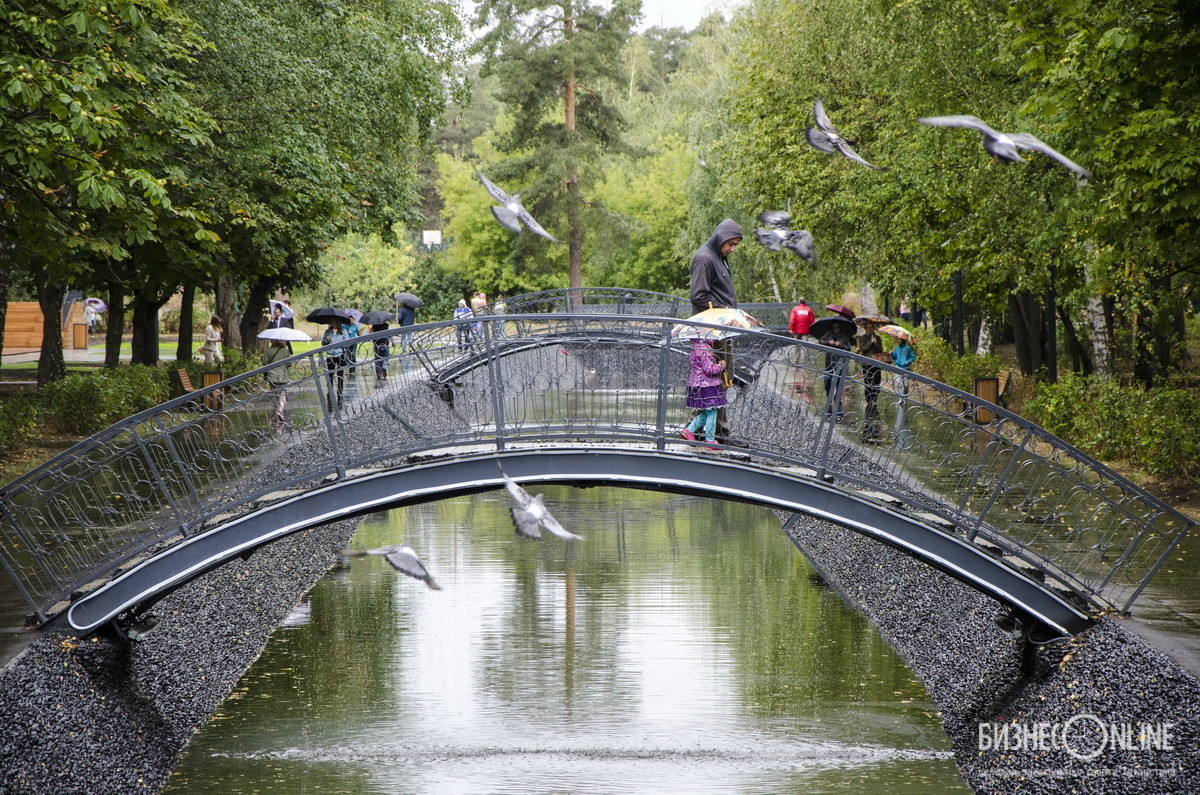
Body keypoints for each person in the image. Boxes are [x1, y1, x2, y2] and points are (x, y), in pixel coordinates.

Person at [689, 218, 744, 446]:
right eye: (730, 244)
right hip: (711, 331)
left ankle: (713, 431)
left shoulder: (720, 258)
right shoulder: (704, 258)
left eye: (735, 245)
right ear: (720, 237)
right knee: (713, 378)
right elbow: (698, 296)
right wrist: (724, 312)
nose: (732, 249)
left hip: (722, 328)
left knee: (723, 377)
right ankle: (709, 432)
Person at [679, 337, 727, 451]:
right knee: (712, 413)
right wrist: (721, 366)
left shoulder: (697, 345)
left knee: (707, 413)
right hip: (707, 385)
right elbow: (708, 369)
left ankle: (689, 431)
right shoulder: (704, 348)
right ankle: (710, 441)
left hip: (697, 384)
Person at [857, 321, 890, 443]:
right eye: (868, 327)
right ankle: (869, 400)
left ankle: (874, 397)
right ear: (865, 328)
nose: (870, 329)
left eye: (871, 327)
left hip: (876, 363)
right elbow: (861, 350)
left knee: (876, 381)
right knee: (867, 381)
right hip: (866, 363)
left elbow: (880, 349)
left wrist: (876, 344)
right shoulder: (862, 338)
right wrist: (870, 343)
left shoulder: (878, 338)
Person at [321, 320, 350, 411]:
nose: (332, 324)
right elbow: (323, 343)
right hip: (330, 355)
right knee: (330, 375)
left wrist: (341, 346)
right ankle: (330, 392)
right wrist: (327, 340)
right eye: (331, 322)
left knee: (340, 374)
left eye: (334, 322)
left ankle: (340, 391)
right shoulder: (327, 332)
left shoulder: (343, 331)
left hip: (340, 354)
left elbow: (348, 342)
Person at [264, 339, 291, 426]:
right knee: (282, 395)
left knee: (274, 394)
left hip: (272, 375)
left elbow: (264, 362)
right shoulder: (285, 351)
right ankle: (280, 411)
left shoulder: (268, 350)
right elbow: (289, 363)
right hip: (283, 376)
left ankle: (276, 411)